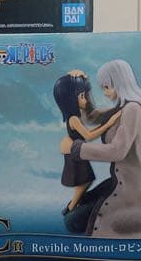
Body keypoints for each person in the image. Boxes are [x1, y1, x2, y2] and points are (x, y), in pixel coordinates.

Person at [60, 60, 141, 238]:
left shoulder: (132, 110)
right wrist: (80, 84)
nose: (104, 92)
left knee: (72, 221)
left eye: (107, 87)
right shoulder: (121, 109)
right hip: (122, 181)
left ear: (119, 83)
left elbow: (117, 151)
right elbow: (90, 116)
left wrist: (76, 148)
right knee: (79, 205)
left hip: (137, 188)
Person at [52, 71, 121, 213]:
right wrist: (108, 124)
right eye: (82, 96)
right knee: (85, 182)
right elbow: (89, 136)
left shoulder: (76, 117)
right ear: (71, 100)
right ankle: (70, 207)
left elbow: (92, 119)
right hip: (76, 155)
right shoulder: (74, 119)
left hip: (78, 153)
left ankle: (73, 205)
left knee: (86, 182)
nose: (85, 100)